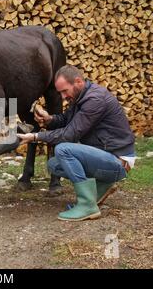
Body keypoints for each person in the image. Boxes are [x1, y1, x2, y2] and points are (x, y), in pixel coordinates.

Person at [17, 65, 136, 221]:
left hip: (119, 161)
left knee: (63, 149)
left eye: (65, 91)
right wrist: (49, 119)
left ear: (78, 81)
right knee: (54, 164)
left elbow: (70, 134)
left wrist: (35, 136)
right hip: (106, 157)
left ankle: (88, 206)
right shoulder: (80, 97)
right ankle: (103, 184)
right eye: (60, 92)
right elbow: (66, 120)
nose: (63, 96)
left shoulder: (95, 99)